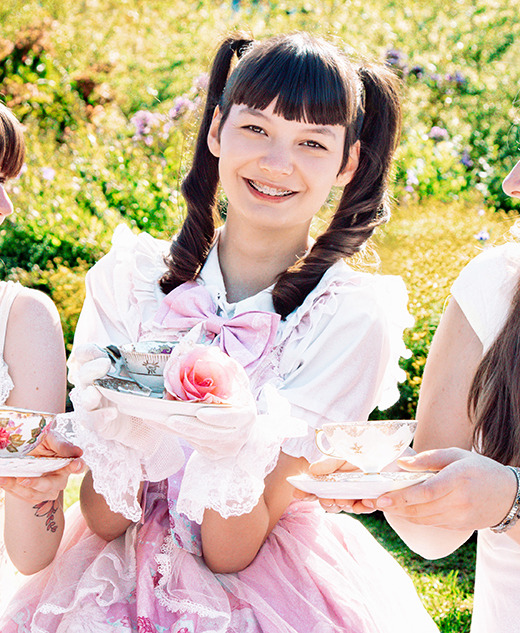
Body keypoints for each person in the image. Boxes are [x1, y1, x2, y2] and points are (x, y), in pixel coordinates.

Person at [0, 34, 438, 632]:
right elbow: (104, 519)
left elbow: (230, 552)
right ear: (215, 131)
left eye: (312, 142)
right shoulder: (131, 282)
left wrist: (226, 444)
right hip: (103, 573)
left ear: (348, 164)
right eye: (255, 129)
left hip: (264, 580)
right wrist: (126, 430)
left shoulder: (349, 318)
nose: (276, 162)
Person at [307, 159, 520, 632]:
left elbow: (506, 498)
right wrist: (384, 475)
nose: (512, 183)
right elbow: (435, 537)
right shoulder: (493, 285)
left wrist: (513, 500)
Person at [0, 103, 84, 610]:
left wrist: (35, 488)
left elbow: (32, 555)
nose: (7, 206)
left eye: (7, 180)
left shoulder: (22, 320)